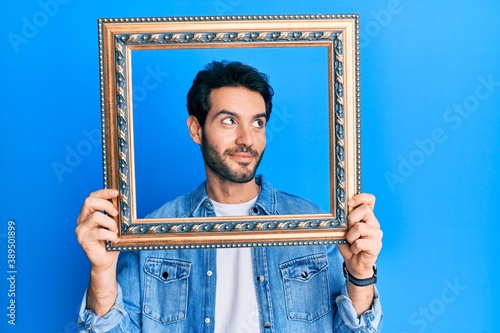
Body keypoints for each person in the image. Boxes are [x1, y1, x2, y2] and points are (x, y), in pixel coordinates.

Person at [76, 61, 383, 332]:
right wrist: (101, 271)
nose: (246, 139)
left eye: (257, 123)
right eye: (229, 121)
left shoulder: (313, 224)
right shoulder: (153, 231)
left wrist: (360, 275)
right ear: (196, 130)